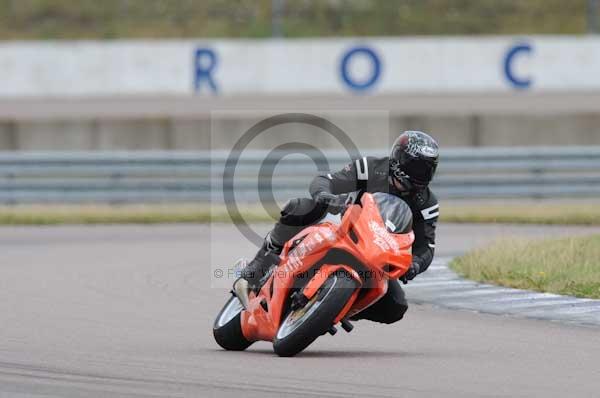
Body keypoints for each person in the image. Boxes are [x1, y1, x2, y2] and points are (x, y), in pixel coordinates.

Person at [233, 130, 440, 324]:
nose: (420, 174)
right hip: (342, 228)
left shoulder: (427, 204)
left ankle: (336, 308)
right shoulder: (371, 168)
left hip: (376, 255)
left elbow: (426, 248)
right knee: (301, 207)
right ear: (399, 159)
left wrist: (414, 265)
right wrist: (325, 194)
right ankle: (255, 270)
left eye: (427, 169)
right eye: (416, 167)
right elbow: (327, 180)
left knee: (396, 306)